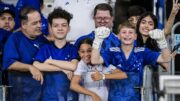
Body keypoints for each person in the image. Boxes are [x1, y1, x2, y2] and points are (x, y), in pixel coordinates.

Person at [91, 21, 171, 101]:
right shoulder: (112, 51)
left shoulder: (142, 52)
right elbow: (95, 60)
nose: (127, 35)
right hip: (115, 98)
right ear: (118, 36)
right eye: (124, 32)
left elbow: (165, 59)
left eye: (130, 32)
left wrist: (162, 42)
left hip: (136, 98)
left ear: (135, 36)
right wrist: (97, 41)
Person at [2, 7, 48, 101]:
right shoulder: (15, 39)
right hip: (22, 95)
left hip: (43, 94)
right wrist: (30, 67)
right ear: (24, 24)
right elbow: (9, 63)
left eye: (40, 21)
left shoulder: (43, 40)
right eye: (34, 23)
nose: (39, 25)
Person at [33, 7, 78, 101]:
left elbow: (73, 66)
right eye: (56, 25)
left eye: (64, 25)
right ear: (50, 28)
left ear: (69, 28)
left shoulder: (73, 49)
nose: (60, 28)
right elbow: (36, 65)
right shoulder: (45, 48)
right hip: (49, 97)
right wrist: (63, 68)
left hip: (70, 97)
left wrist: (50, 61)